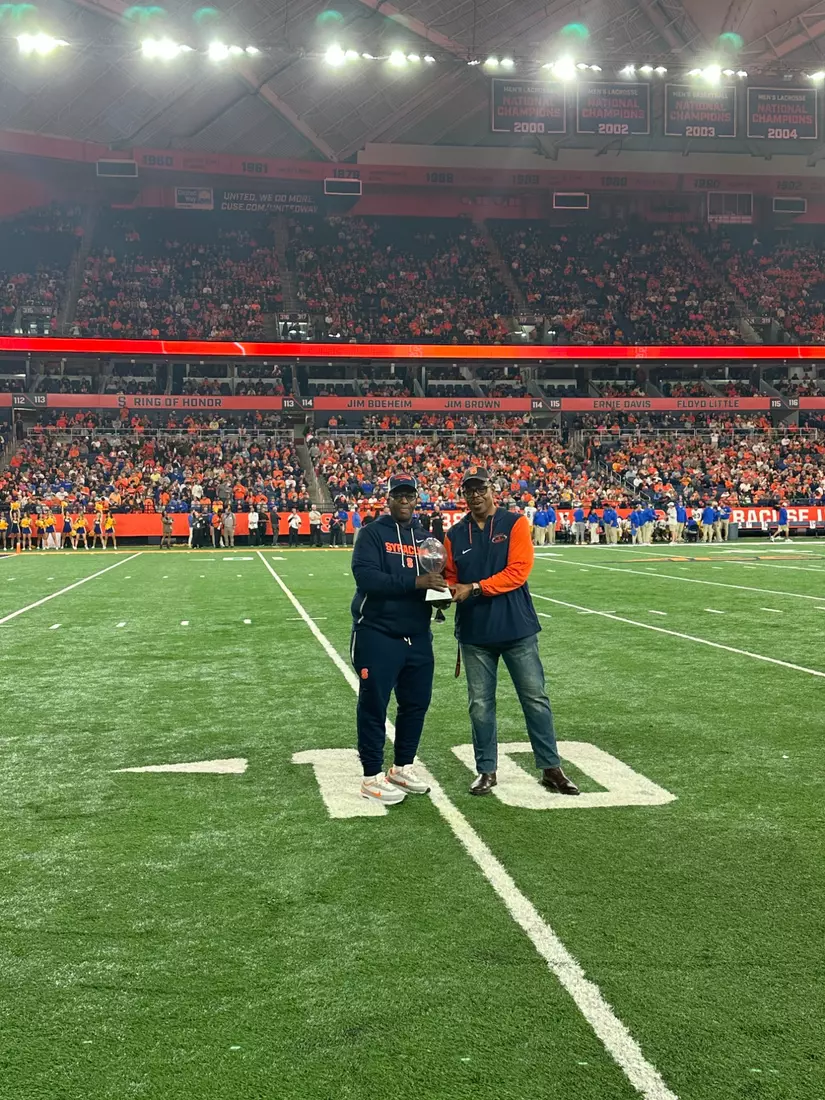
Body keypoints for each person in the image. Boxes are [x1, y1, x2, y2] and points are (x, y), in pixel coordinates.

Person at [444, 468, 579, 798]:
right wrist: (444, 592)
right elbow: (449, 575)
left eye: (480, 488)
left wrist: (473, 587)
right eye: (468, 490)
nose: (475, 495)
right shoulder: (454, 534)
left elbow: (517, 573)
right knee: (479, 705)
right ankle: (486, 770)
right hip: (475, 633)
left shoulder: (515, 522)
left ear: (493, 490)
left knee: (535, 699)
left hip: (516, 627)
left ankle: (551, 767)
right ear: (464, 495)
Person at [350, 473, 447, 803]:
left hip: (418, 634)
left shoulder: (425, 538)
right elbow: (367, 578)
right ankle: (371, 775)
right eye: (398, 496)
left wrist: (440, 594)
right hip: (377, 632)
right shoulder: (372, 534)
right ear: (388, 499)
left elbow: (434, 578)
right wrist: (416, 582)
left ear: (416, 499)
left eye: (409, 497)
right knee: (374, 705)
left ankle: (401, 766)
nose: (404, 502)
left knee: (416, 704)